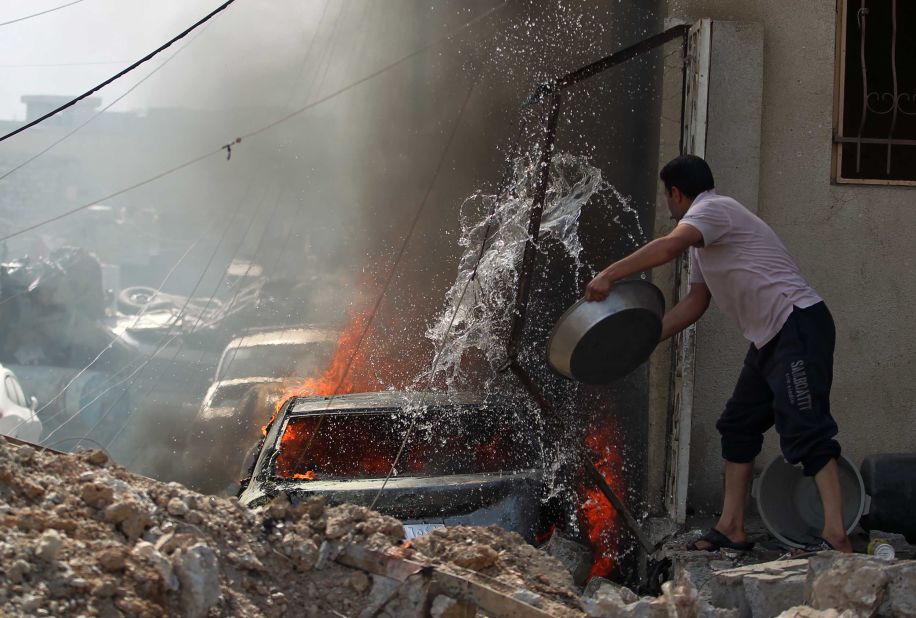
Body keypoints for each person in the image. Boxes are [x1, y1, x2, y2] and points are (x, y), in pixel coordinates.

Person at [585, 155, 851, 553]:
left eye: (668, 198)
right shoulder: (702, 241)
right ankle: (731, 527)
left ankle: (836, 537)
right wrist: (645, 339)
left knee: (806, 427)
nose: (670, 207)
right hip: (769, 337)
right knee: (738, 426)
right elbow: (696, 302)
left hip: (796, 324)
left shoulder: (714, 209)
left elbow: (668, 246)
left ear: (676, 193)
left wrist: (610, 274)